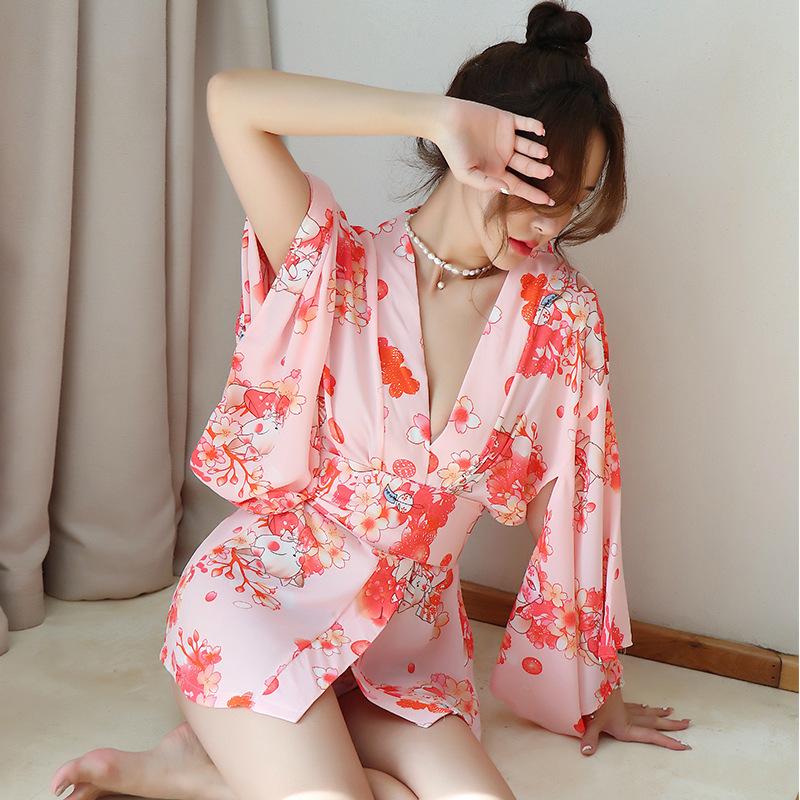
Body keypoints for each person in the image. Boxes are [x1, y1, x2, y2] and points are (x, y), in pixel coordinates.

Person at [50, 3, 692, 799]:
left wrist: (597, 687)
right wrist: (435, 115)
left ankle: (205, 772)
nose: (553, 219)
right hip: (261, 597)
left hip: (402, 650)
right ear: (473, 151)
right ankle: (206, 772)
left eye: (578, 198)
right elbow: (233, 102)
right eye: (540, 185)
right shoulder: (335, 263)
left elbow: (577, 507)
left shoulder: (562, 317)